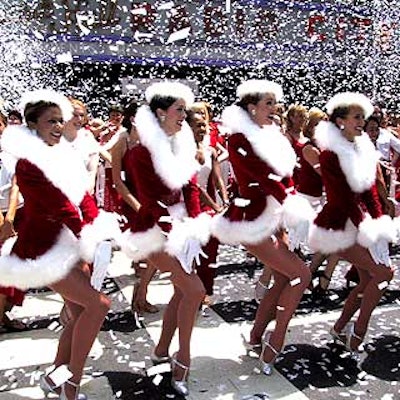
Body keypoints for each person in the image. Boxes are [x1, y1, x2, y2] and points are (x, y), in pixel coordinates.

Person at [0, 90, 120, 400]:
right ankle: (72, 383)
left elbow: (83, 197)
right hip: (43, 252)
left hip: (70, 245)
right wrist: (86, 235)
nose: (58, 126)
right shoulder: (28, 164)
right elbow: (62, 206)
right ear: (32, 124)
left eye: (60, 120)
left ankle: (57, 376)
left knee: (79, 313)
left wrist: (96, 228)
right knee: (99, 304)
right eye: (50, 121)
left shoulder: (64, 154)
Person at [211, 80, 313, 375]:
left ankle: (256, 337)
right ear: (252, 107)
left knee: (284, 278)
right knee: (301, 275)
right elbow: (266, 179)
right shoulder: (239, 138)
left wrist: (293, 204)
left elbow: (286, 177)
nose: (274, 108)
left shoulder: (272, 135)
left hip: (274, 217)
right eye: (268, 103)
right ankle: (274, 342)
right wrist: (294, 207)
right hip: (252, 220)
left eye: (274, 102)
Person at [118, 81, 211, 396]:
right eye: (179, 110)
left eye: (185, 109)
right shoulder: (140, 154)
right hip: (153, 231)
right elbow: (150, 201)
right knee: (194, 290)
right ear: (159, 113)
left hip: (181, 225)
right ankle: (182, 358)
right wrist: (177, 230)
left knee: (184, 291)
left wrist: (194, 225)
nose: (184, 116)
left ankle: (160, 349)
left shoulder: (181, 145)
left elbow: (191, 188)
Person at [309, 92, 396, 356]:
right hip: (338, 227)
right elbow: (342, 200)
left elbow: (369, 192)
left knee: (370, 277)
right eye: (356, 117)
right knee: (383, 274)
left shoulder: (361, 147)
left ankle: (339, 328)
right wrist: (368, 229)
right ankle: (358, 333)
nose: (362, 122)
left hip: (359, 224)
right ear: (340, 121)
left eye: (363, 117)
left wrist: (379, 221)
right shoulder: (329, 155)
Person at [111, 101, 158, 314]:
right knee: (145, 252)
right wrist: (138, 207)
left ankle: (141, 294)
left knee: (155, 252)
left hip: (153, 200)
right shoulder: (122, 141)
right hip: (133, 204)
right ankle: (139, 297)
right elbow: (118, 182)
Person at [186, 110, 229, 305]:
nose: (202, 129)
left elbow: (218, 178)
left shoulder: (210, 150)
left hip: (210, 206)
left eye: (204, 125)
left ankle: (204, 289)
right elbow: (193, 185)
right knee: (190, 250)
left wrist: (225, 200)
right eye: (197, 125)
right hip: (189, 205)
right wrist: (215, 206)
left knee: (211, 248)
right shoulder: (183, 152)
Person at [298, 107, 340, 296]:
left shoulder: (325, 148)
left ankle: (318, 278)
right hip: (306, 203)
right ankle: (308, 277)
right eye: (317, 124)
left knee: (334, 240)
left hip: (321, 201)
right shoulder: (309, 148)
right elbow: (324, 174)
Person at [0, 111, 26, 333]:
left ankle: (4, 313)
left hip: (17, 214)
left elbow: (17, 184)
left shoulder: (11, 152)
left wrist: (10, 218)